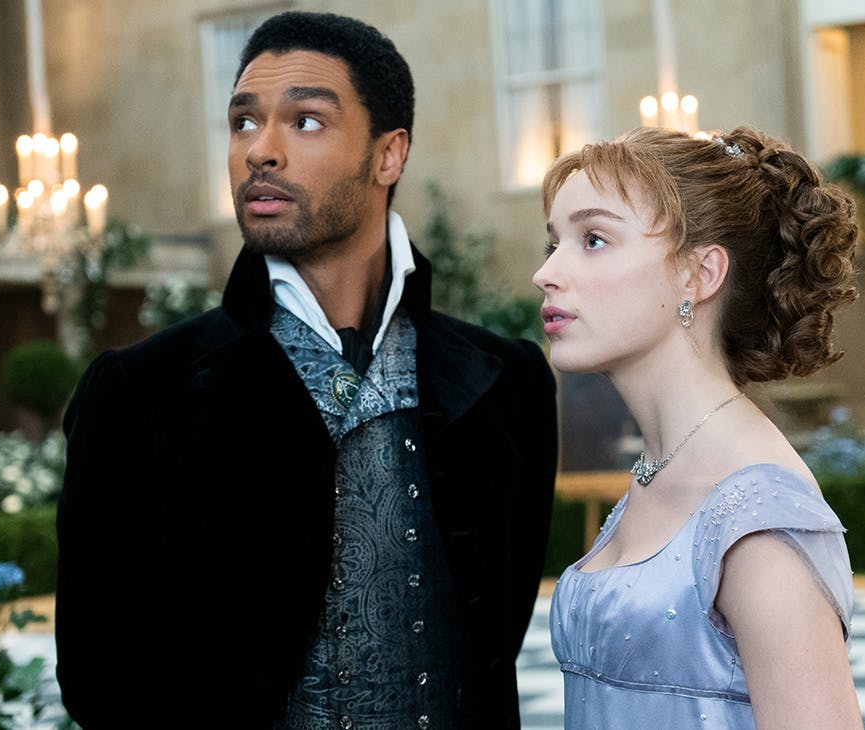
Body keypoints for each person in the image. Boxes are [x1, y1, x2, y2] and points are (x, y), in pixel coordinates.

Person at [54, 10, 559, 729]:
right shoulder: (141, 392)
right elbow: (103, 680)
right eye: (242, 122)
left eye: (306, 122)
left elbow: (494, 633)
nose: (260, 150)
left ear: (388, 155)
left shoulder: (506, 383)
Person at [532, 124, 863, 728]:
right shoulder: (662, 467)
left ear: (699, 275)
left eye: (595, 239)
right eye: (553, 242)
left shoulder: (758, 513)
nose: (547, 273)